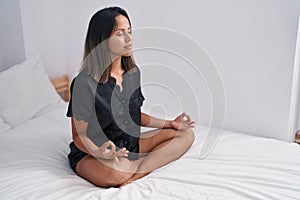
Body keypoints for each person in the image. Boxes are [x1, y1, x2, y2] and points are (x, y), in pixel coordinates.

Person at [66, 6, 195, 188]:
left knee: (185, 135)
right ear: (102, 40)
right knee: (116, 171)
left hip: (130, 147)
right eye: (120, 33)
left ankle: (136, 172)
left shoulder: (133, 73)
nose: (129, 39)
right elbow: (79, 135)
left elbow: (135, 116)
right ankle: (137, 168)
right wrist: (99, 152)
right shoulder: (83, 83)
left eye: (129, 31)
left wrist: (170, 124)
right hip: (95, 154)